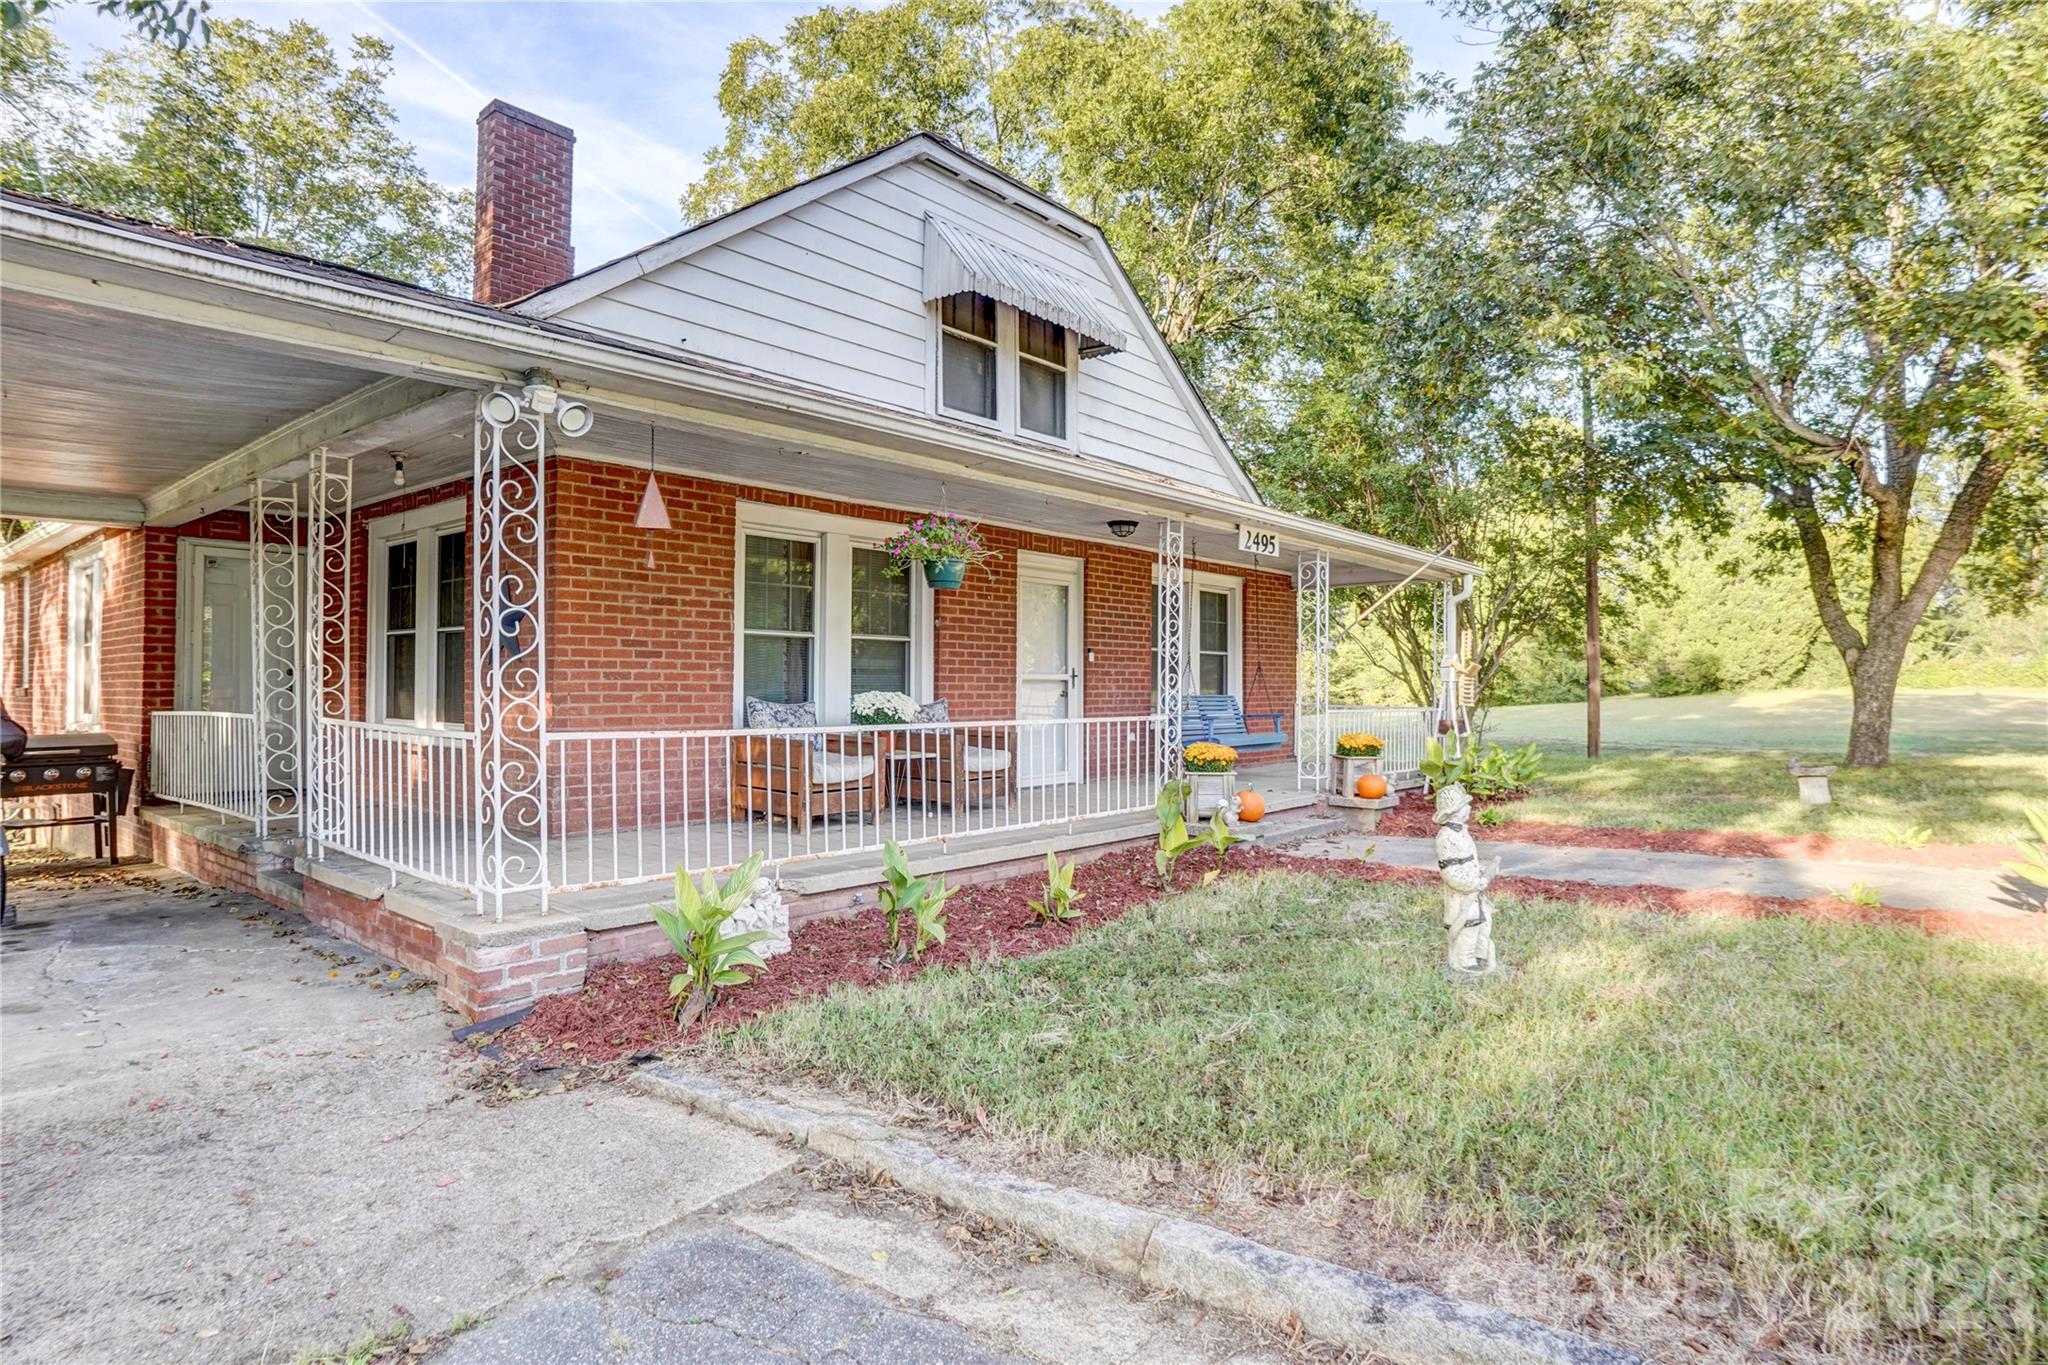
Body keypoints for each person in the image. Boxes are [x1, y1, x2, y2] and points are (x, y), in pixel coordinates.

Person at [1431, 782, 1497, 977]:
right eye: (1464, 806)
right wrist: (1471, 884)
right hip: (1462, 895)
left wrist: (1479, 871)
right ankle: (1465, 961)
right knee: (1466, 926)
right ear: (1454, 812)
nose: (1469, 808)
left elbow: (1467, 861)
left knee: (1482, 923)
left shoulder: (1461, 831)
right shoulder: (1447, 837)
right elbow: (1450, 871)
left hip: (1473, 891)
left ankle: (1480, 954)